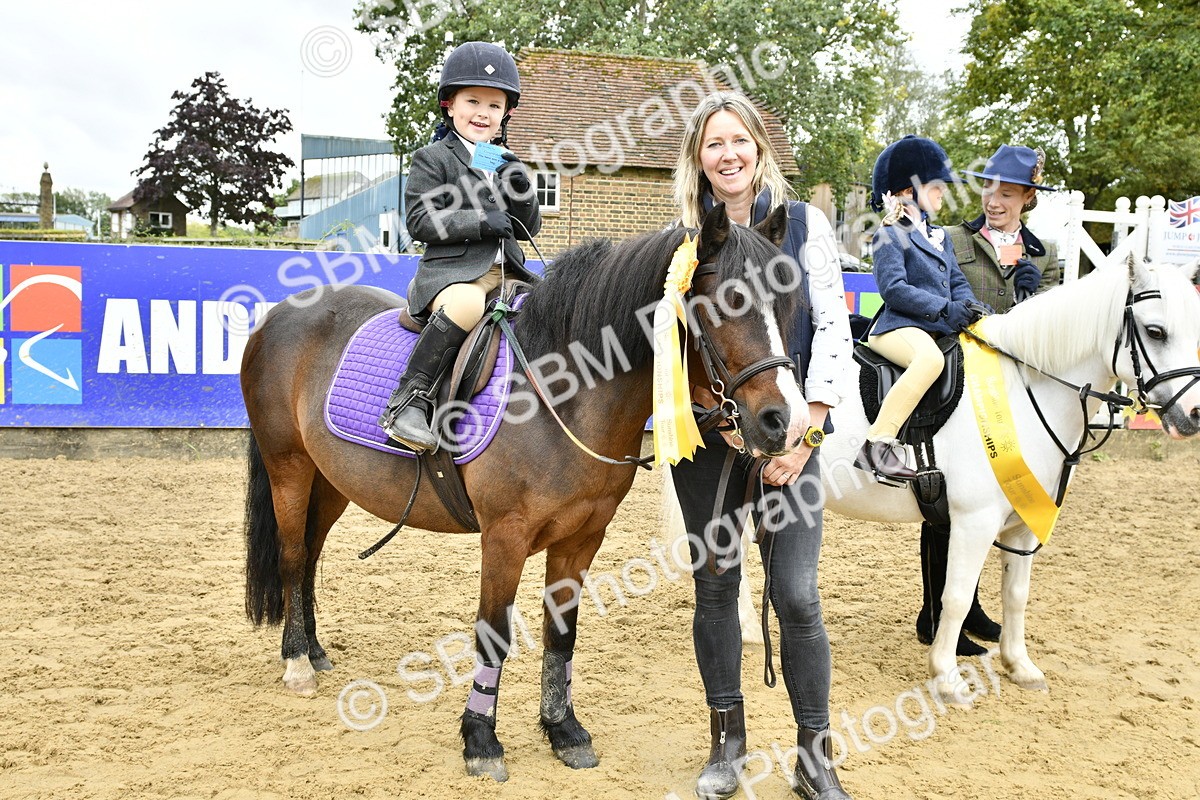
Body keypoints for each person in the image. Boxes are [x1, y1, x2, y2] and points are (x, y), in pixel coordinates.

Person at [670, 92, 854, 800]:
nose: (728, 155)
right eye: (714, 144)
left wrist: (806, 434)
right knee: (716, 588)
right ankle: (727, 748)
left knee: (797, 596)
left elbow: (835, 331)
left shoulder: (803, 227)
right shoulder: (685, 239)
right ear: (699, 158)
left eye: (738, 141)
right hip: (711, 438)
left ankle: (816, 760)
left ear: (757, 149)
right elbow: (669, 346)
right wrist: (713, 419)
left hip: (791, 437)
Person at [915, 144, 1060, 656]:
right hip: (959, 377)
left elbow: (1056, 331)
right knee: (949, 498)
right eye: (989, 188)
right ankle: (935, 615)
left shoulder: (1044, 256)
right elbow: (933, 300)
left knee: (994, 502)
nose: (994, 199)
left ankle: (971, 608)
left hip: (1016, 395)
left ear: (1027, 198)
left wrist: (1031, 297)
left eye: (1007, 192)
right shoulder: (952, 239)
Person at [379, 41, 541, 450]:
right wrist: (482, 221)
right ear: (450, 105)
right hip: (454, 275)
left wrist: (521, 189)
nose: (482, 113)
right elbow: (420, 220)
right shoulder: (433, 158)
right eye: (473, 101)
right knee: (466, 306)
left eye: (494, 104)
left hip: (509, 275)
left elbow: (529, 228)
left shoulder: (499, 160)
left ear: (507, 112)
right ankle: (409, 402)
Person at [855, 135, 985, 482]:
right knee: (930, 360)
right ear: (909, 191)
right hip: (896, 328)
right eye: (937, 186)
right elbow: (894, 289)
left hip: (934, 326)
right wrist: (945, 310)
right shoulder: (889, 234)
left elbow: (957, 281)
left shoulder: (939, 236)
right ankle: (878, 445)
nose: (943, 191)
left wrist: (974, 309)